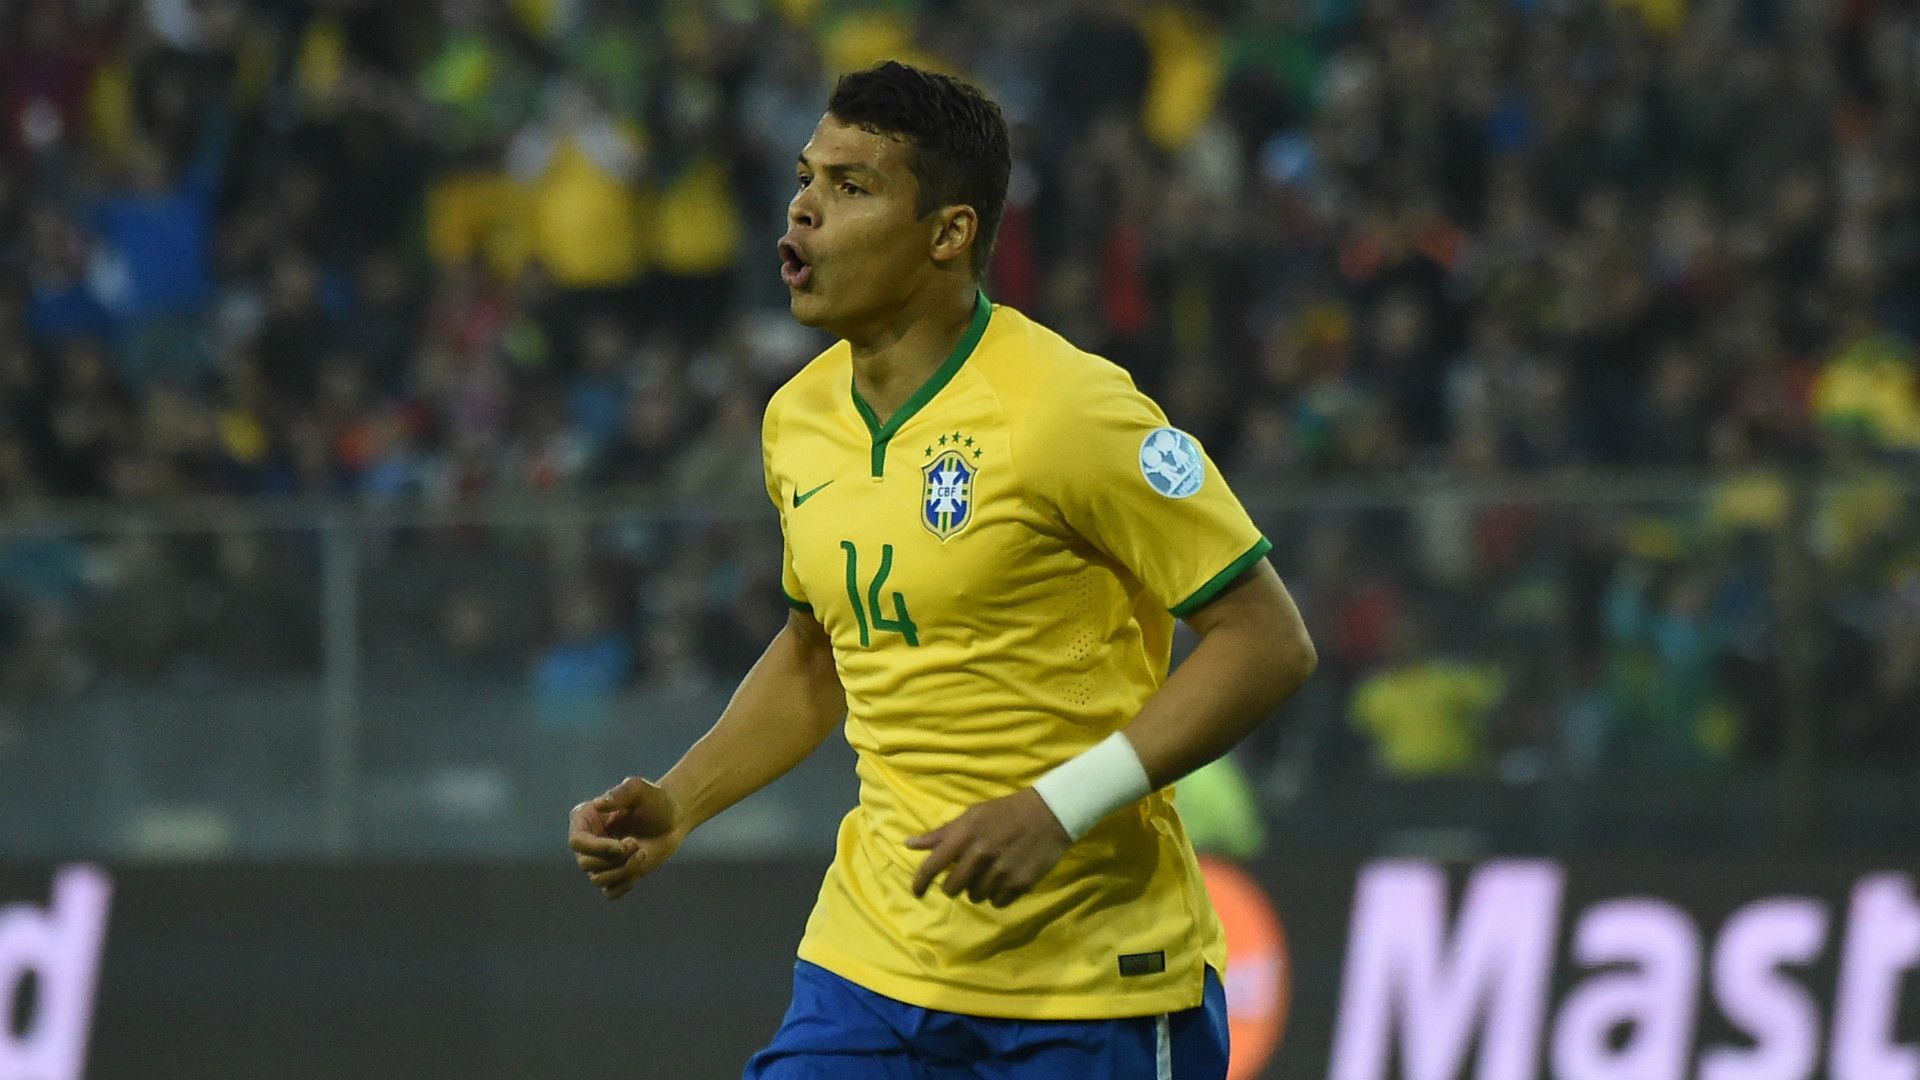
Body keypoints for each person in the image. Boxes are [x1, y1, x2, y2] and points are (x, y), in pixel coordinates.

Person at [567, 61, 1317, 1078]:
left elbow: (1269, 641)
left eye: (850, 186)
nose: (803, 206)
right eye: (806, 177)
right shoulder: (798, 421)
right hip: (872, 966)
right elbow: (814, 654)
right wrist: (680, 801)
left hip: (1088, 983)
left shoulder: (1067, 411)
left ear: (949, 233)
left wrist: (1060, 804)